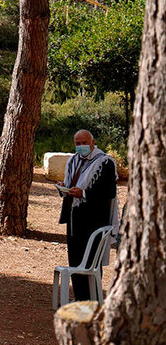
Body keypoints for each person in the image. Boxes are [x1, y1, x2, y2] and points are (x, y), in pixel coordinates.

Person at [58, 129, 119, 301]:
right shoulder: (73, 161)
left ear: (92, 143)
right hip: (74, 220)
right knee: (75, 260)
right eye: (78, 143)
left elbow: (108, 192)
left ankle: (91, 299)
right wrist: (64, 187)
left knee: (91, 262)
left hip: (94, 221)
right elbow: (71, 185)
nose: (81, 146)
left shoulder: (105, 162)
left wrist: (84, 193)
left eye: (84, 143)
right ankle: (80, 298)